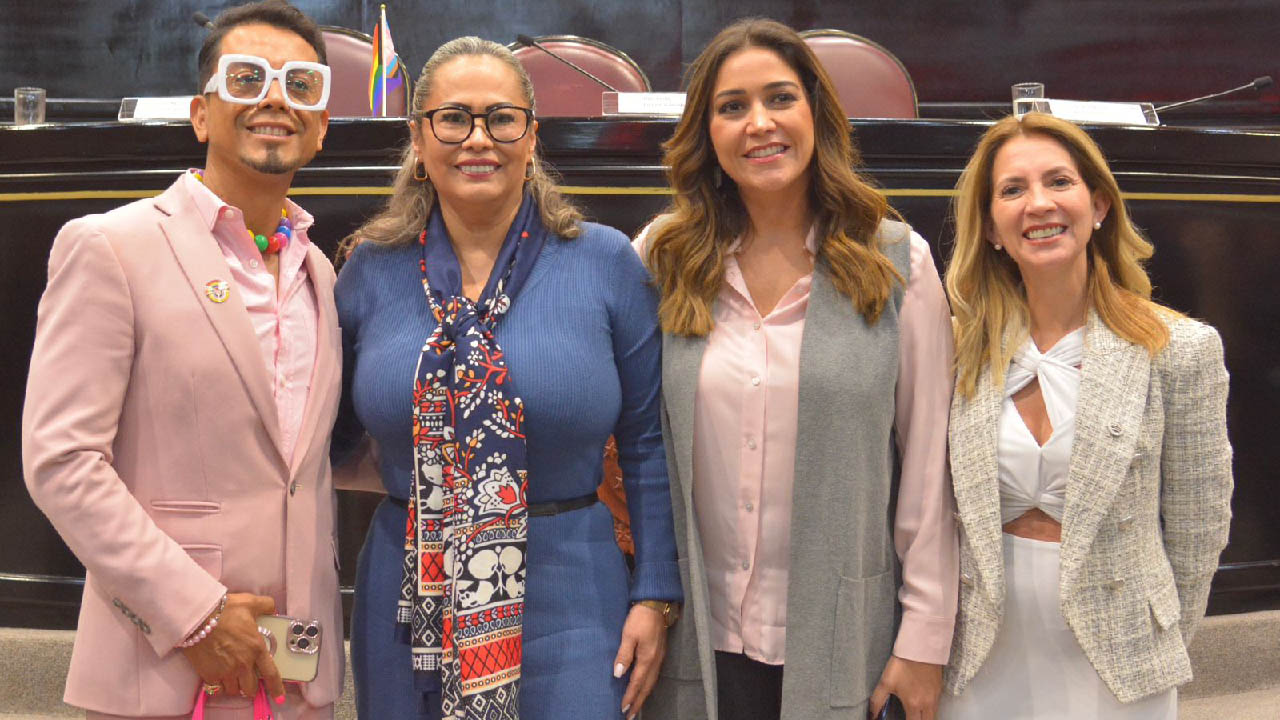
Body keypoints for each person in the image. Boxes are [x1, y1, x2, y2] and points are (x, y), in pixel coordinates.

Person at [331, 36, 682, 720]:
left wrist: (655, 593)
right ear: (418, 139)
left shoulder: (605, 263)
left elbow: (648, 443)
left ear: (532, 137)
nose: (478, 138)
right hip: (411, 597)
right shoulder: (370, 271)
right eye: (453, 119)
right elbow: (326, 438)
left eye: (501, 118)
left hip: (575, 595)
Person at [21, 2, 341, 718]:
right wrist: (196, 614)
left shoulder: (319, 271)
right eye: (248, 78)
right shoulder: (110, 246)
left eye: (299, 85)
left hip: (293, 675)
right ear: (201, 114)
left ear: (321, 126)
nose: (275, 99)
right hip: (164, 665)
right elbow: (62, 462)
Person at [639, 18, 958, 720]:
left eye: (780, 98)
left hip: (844, 635)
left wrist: (925, 637)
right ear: (706, 132)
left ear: (816, 113)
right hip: (698, 636)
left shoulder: (895, 262)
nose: (760, 123)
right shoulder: (663, 257)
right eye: (732, 106)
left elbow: (929, 469)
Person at [939, 112, 1233, 719]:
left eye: (1059, 181)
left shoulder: (1179, 350)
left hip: (1121, 657)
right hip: (979, 650)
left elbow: (1199, 527)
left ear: (1098, 205)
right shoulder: (956, 350)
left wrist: (1158, 641)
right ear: (990, 226)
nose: (1038, 204)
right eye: (1013, 189)